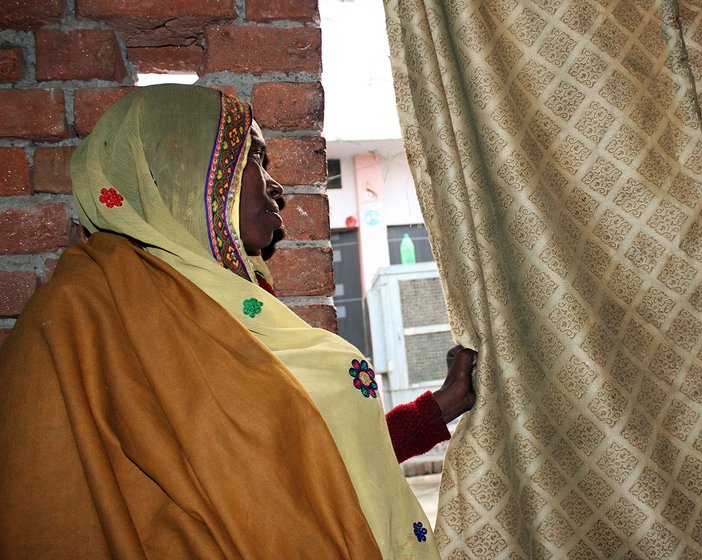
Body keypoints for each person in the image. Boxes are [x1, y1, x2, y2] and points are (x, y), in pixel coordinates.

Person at [0, 84, 475, 558]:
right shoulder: (80, 316)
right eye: (253, 158)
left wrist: (441, 406)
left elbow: (315, 466)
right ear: (183, 172)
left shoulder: (245, 304)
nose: (276, 185)